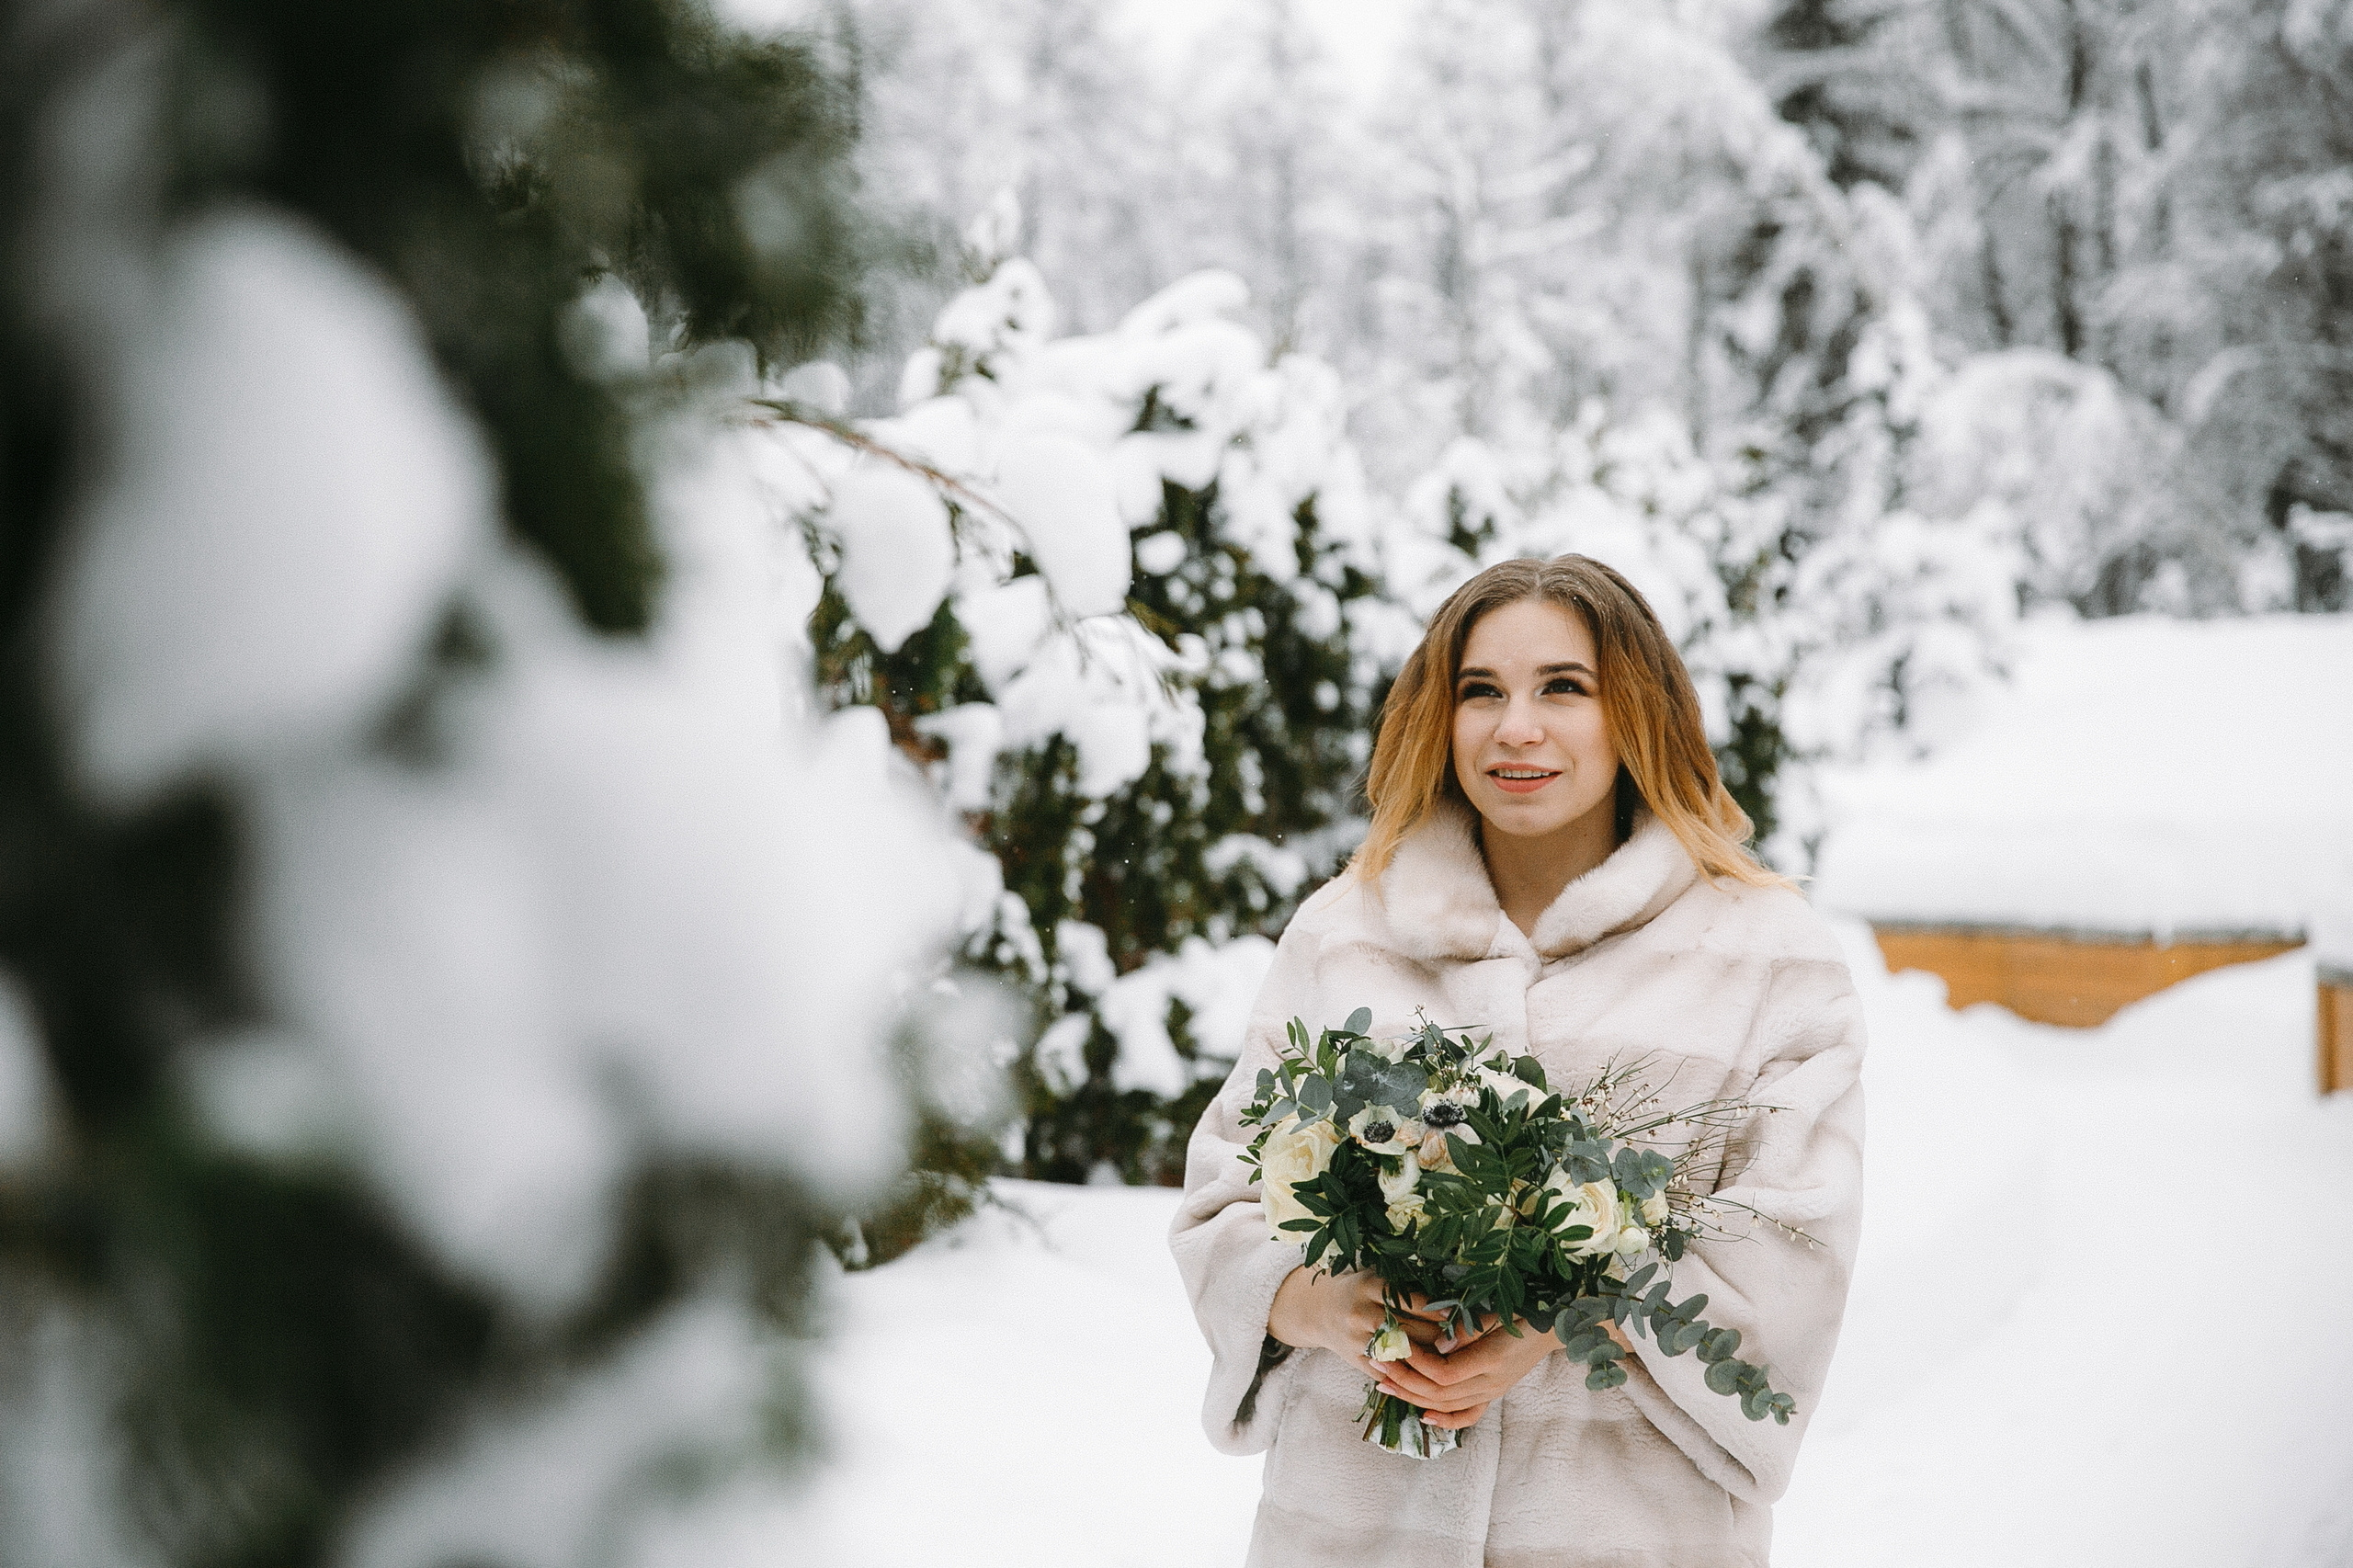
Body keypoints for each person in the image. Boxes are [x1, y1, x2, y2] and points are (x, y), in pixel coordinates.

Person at [1170, 554, 1865, 1568]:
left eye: (1563, 688)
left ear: (1636, 711)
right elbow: (1224, 1198)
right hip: (1353, 1531)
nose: (1516, 728)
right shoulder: (1342, 931)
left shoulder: (1769, 955)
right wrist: (1326, 1302)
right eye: (1481, 690)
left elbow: (1796, 1257)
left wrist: (1568, 1307)